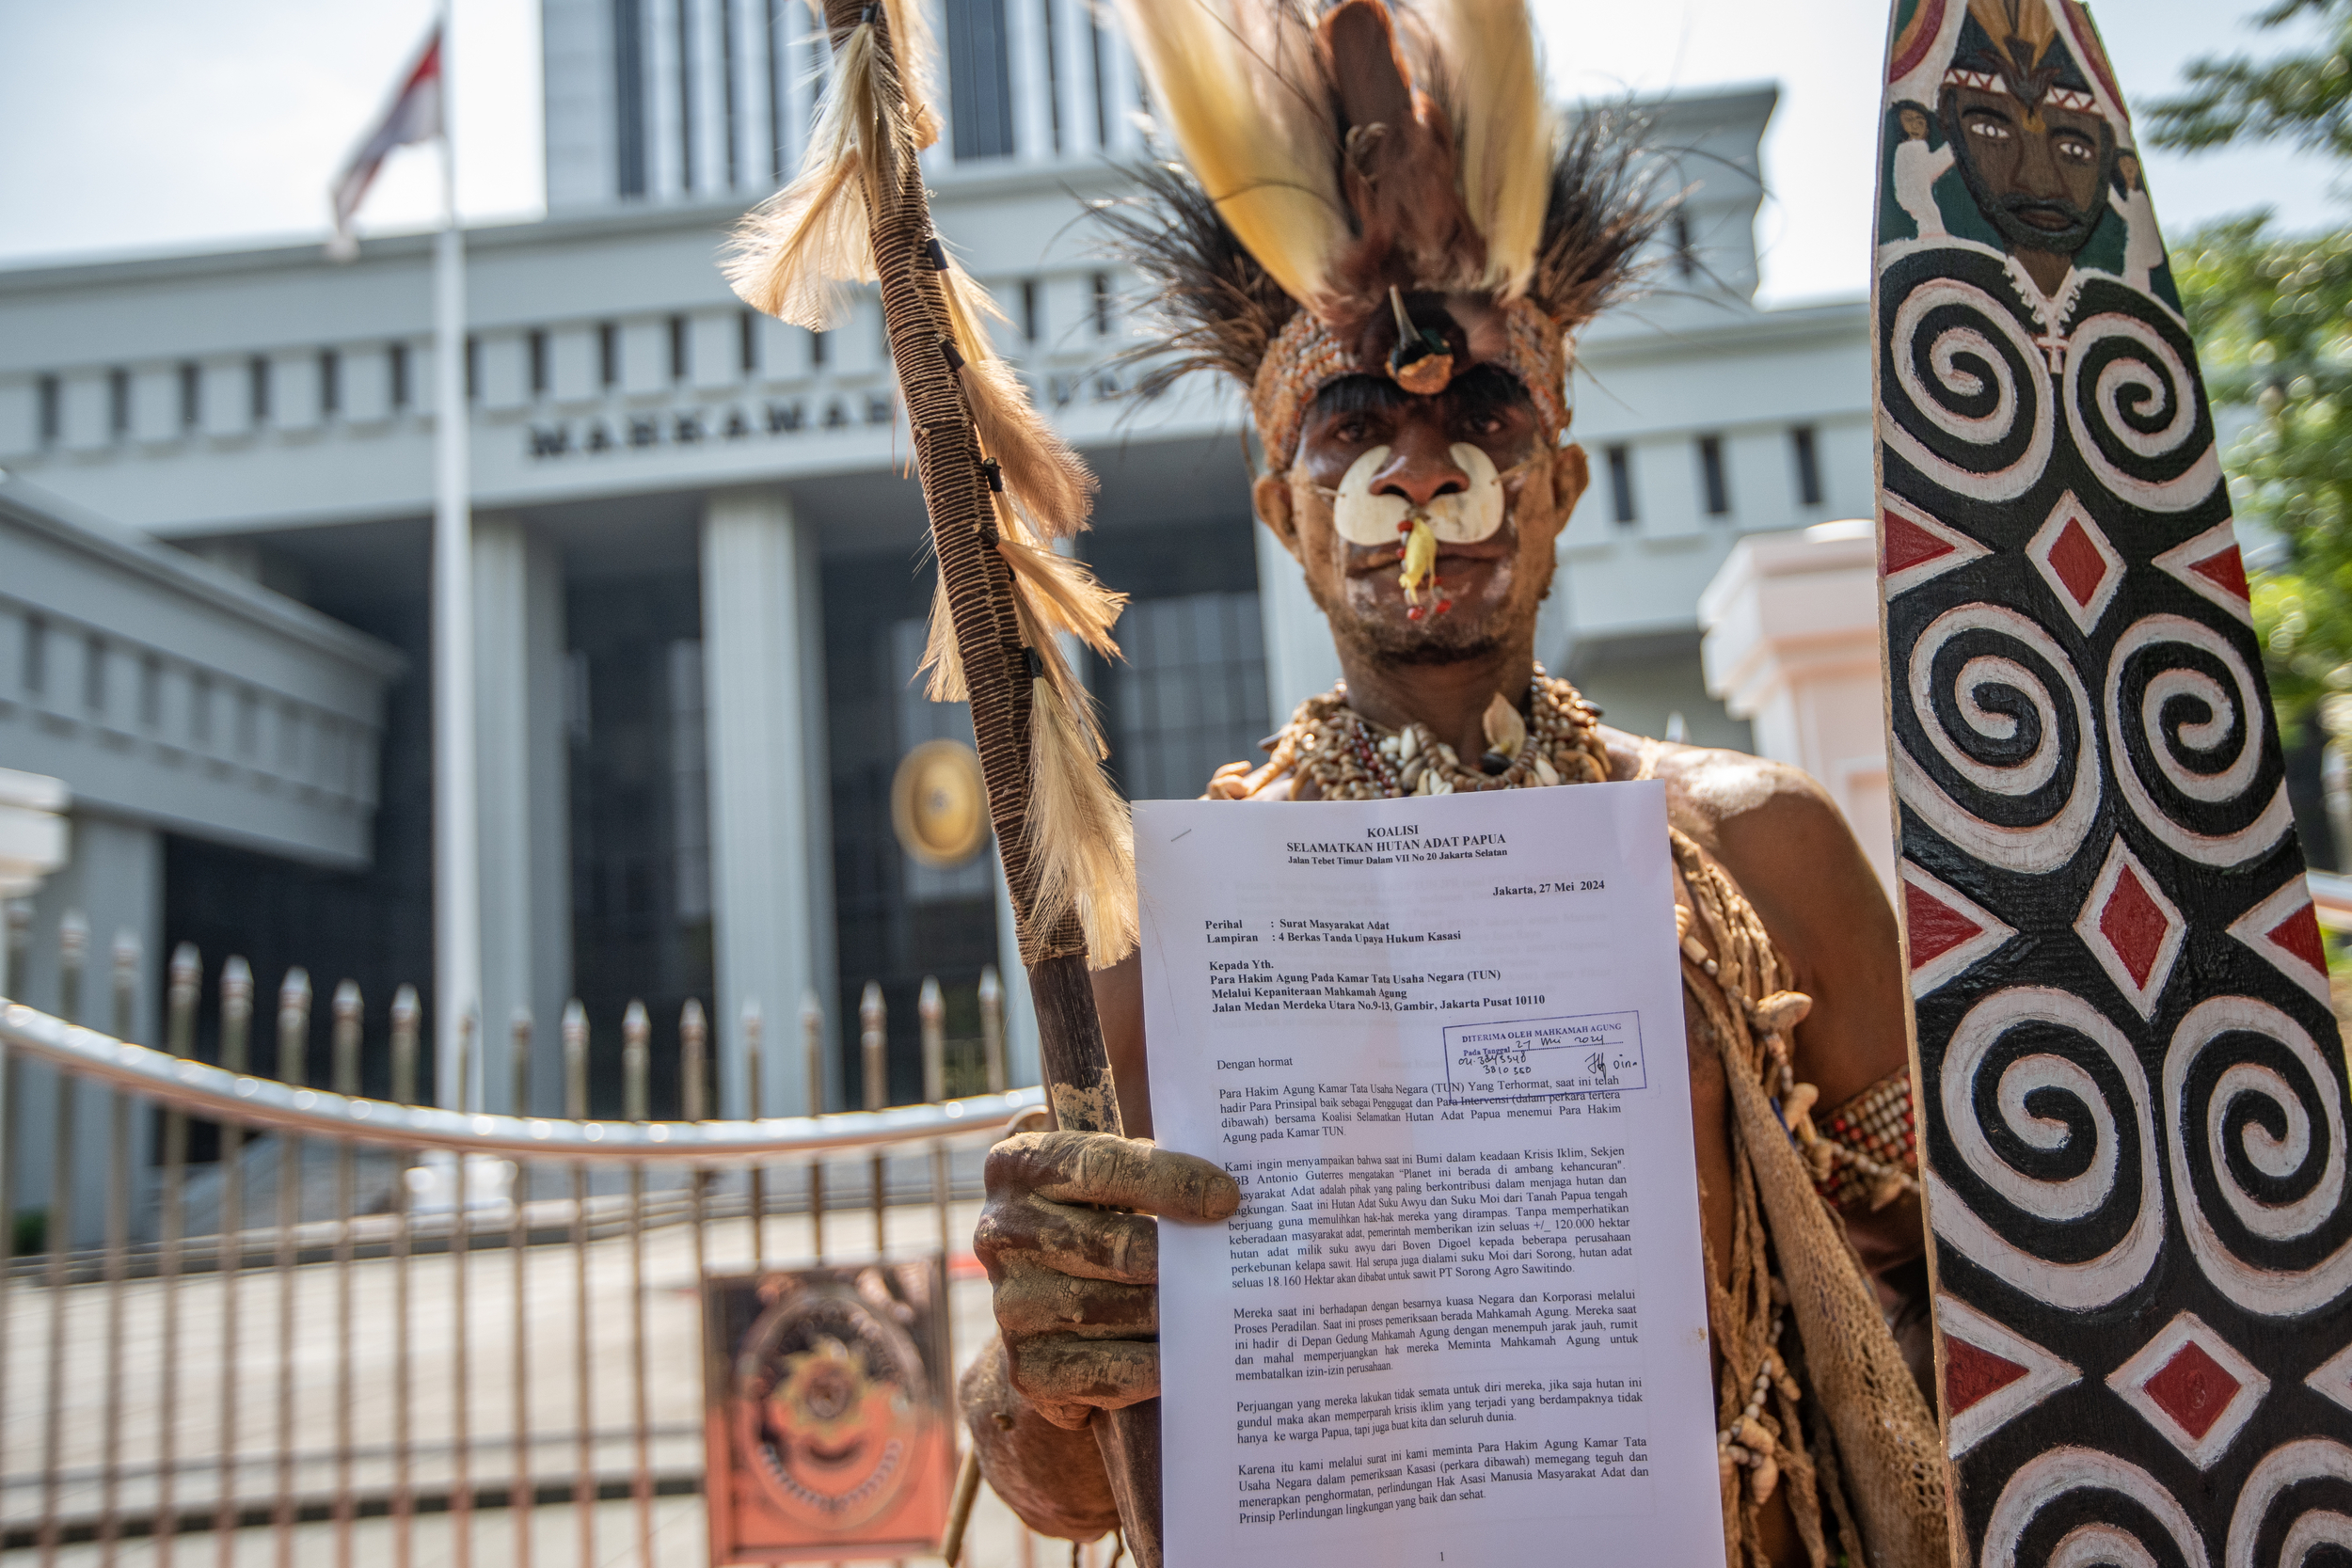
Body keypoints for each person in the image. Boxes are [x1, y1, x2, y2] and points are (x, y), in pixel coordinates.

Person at [962, 5, 1947, 1563]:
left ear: (1559, 482)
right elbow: (1091, 1486)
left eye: (1479, 415)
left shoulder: (1769, 858)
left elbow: (1958, 1295)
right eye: (1360, 422)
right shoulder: (1177, 923)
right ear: (1285, 509)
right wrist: (1042, 1377)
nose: (1424, 470)